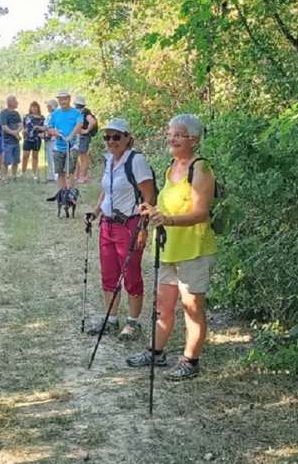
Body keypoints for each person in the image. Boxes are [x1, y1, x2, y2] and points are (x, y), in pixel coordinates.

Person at [126, 114, 217, 381]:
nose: (171, 138)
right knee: (163, 305)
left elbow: (201, 213)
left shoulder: (201, 169)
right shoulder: (171, 166)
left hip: (194, 250)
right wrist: (152, 211)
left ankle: (190, 361)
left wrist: (168, 219)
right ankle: (156, 352)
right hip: (168, 249)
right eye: (170, 133)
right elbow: (168, 205)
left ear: (194, 139)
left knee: (192, 308)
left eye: (178, 134)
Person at [83, 119, 155, 339]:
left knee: (131, 272)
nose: (111, 141)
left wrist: (143, 228)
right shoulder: (109, 161)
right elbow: (107, 191)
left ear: (127, 138)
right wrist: (96, 212)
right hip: (108, 223)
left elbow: (149, 195)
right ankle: (111, 319)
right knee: (109, 272)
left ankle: (133, 323)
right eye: (107, 137)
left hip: (129, 223)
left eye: (116, 137)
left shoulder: (136, 161)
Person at [46, 90, 82, 191]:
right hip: (59, 145)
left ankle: (70, 192)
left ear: (69, 99)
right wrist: (55, 132)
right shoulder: (56, 113)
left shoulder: (76, 113)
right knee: (60, 171)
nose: (63, 102)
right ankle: (62, 193)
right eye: (60, 100)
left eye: (65, 99)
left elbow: (79, 125)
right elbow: (50, 127)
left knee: (70, 170)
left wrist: (71, 135)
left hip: (72, 145)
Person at [74, 95, 98, 184]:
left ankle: (83, 176)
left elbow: (93, 122)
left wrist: (86, 130)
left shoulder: (85, 113)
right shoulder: (82, 112)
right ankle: (78, 175)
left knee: (83, 157)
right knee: (80, 156)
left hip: (84, 137)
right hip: (81, 137)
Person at [0, 95, 22, 180]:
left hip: (16, 141)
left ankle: (14, 175)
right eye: (15, 101)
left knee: (16, 159)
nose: (17, 103)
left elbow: (20, 125)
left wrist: (17, 132)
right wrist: (14, 133)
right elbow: (4, 127)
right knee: (5, 161)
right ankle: (4, 176)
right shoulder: (4, 113)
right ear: (10, 102)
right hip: (7, 141)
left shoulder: (16, 113)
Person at [21, 101, 45, 181]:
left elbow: (44, 128)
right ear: (30, 108)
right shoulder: (26, 116)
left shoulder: (42, 118)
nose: (34, 108)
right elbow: (23, 126)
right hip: (28, 138)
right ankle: (23, 172)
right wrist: (23, 131)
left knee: (35, 156)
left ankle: (34, 173)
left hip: (36, 139)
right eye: (32, 107)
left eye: (35, 107)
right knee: (25, 156)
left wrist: (41, 133)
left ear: (38, 108)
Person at [43, 99, 58, 182]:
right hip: (48, 139)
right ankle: (51, 175)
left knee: (53, 158)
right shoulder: (49, 116)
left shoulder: (56, 115)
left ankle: (56, 176)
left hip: (54, 139)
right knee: (49, 157)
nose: (47, 107)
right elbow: (46, 126)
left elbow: (55, 127)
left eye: (48, 106)